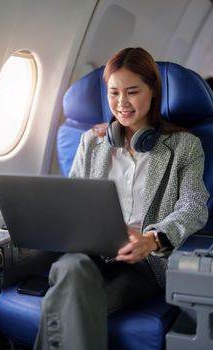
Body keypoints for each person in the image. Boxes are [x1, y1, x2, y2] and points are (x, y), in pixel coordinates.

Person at [33, 47, 209, 350]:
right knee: (70, 267)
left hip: (143, 262)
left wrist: (153, 239)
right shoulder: (92, 142)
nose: (121, 103)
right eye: (113, 93)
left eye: (132, 92)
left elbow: (193, 205)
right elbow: (73, 200)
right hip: (92, 254)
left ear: (153, 91)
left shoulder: (185, 146)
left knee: (65, 288)